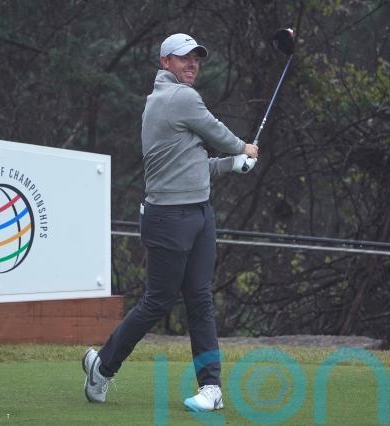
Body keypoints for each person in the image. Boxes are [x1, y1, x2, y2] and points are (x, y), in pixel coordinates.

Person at [82, 33, 258, 412]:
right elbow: (219, 133)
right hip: (168, 218)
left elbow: (192, 165)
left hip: (199, 213)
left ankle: (211, 388)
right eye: (183, 58)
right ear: (165, 62)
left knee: (200, 298)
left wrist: (231, 164)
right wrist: (242, 148)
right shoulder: (177, 98)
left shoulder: (175, 102)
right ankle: (103, 366)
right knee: (158, 301)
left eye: (196, 58)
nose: (192, 64)